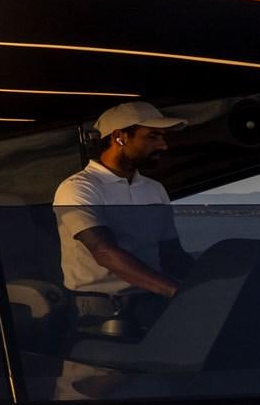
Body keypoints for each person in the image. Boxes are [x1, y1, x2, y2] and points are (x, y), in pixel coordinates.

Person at [55, 101, 194, 324]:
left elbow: (171, 254)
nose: (163, 145)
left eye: (162, 137)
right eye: (153, 137)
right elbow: (104, 252)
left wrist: (214, 281)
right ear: (120, 137)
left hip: (153, 305)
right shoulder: (78, 188)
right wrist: (174, 290)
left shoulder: (154, 189)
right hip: (99, 312)